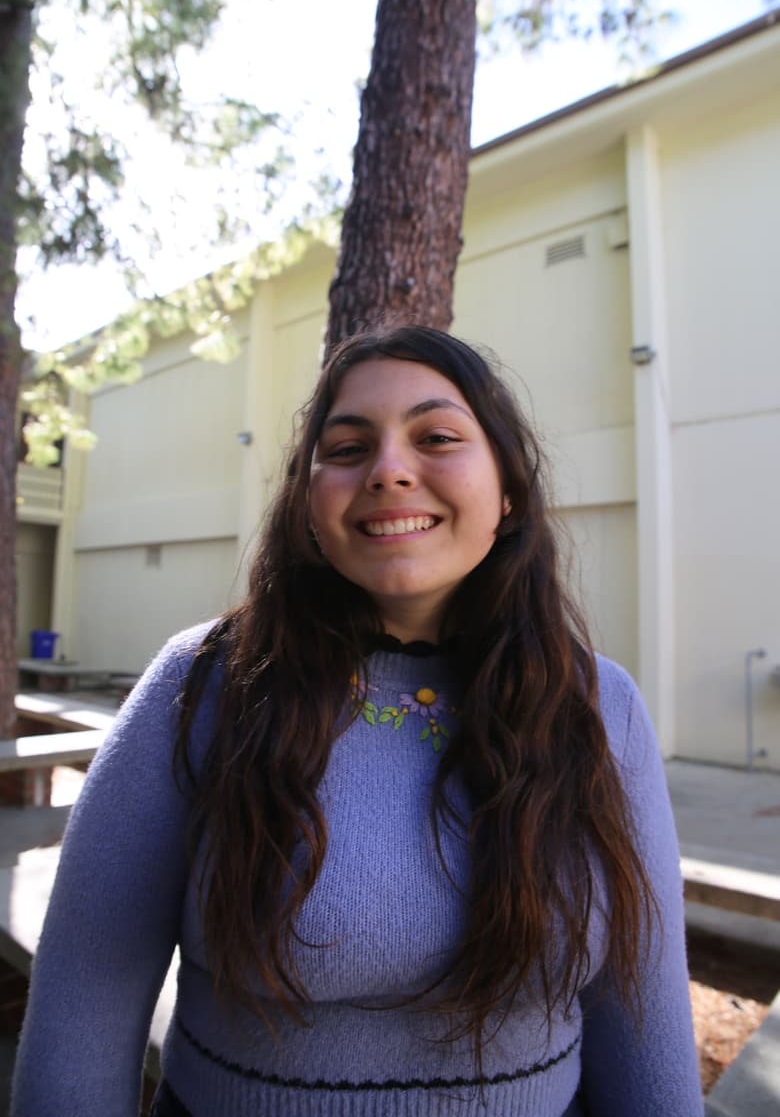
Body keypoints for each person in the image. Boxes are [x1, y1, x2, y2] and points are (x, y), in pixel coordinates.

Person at [11, 326, 704, 1117]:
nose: (389, 471)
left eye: (437, 437)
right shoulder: (205, 686)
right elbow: (82, 1010)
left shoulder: (600, 705)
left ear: (509, 491)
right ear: (309, 504)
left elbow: (642, 1016)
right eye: (346, 448)